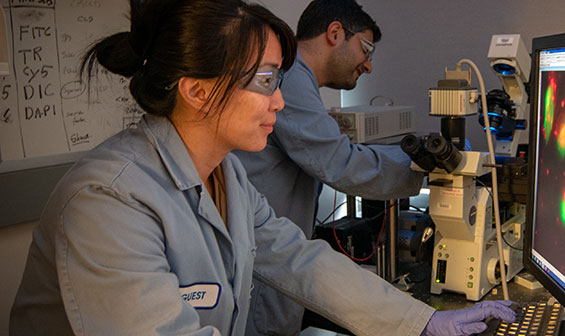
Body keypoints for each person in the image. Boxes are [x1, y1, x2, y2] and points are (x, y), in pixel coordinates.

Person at [9, 0, 515, 335]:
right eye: (267, 80)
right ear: (198, 91)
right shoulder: (108, 204)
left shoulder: (226, 176)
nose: (280, 101)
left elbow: (300, 261)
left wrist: (420, 322)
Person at [233, 1, 425, 334]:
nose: (369, 66)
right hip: (265, 269)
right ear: (335, 33)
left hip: (275, 256)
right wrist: (423, 166)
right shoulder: (291, 78)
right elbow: (340, 163)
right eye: (366, 49)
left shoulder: (298, 81)